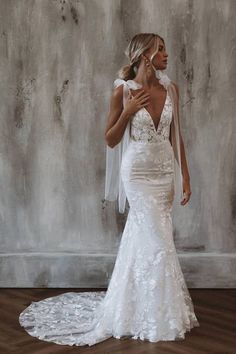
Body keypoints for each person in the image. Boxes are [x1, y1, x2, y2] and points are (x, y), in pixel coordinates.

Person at [18, 33, 200, 346]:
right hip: (138, 172)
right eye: (161, 49)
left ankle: (133, 309)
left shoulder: (171, 89)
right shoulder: (123, 90)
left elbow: (176, 137)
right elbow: (110, 139)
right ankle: (159, 316)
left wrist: (185, 176)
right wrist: (128, 112)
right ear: (145, 56)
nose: (167, 55)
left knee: (149, 238)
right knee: (157, 241)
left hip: (163, 173)